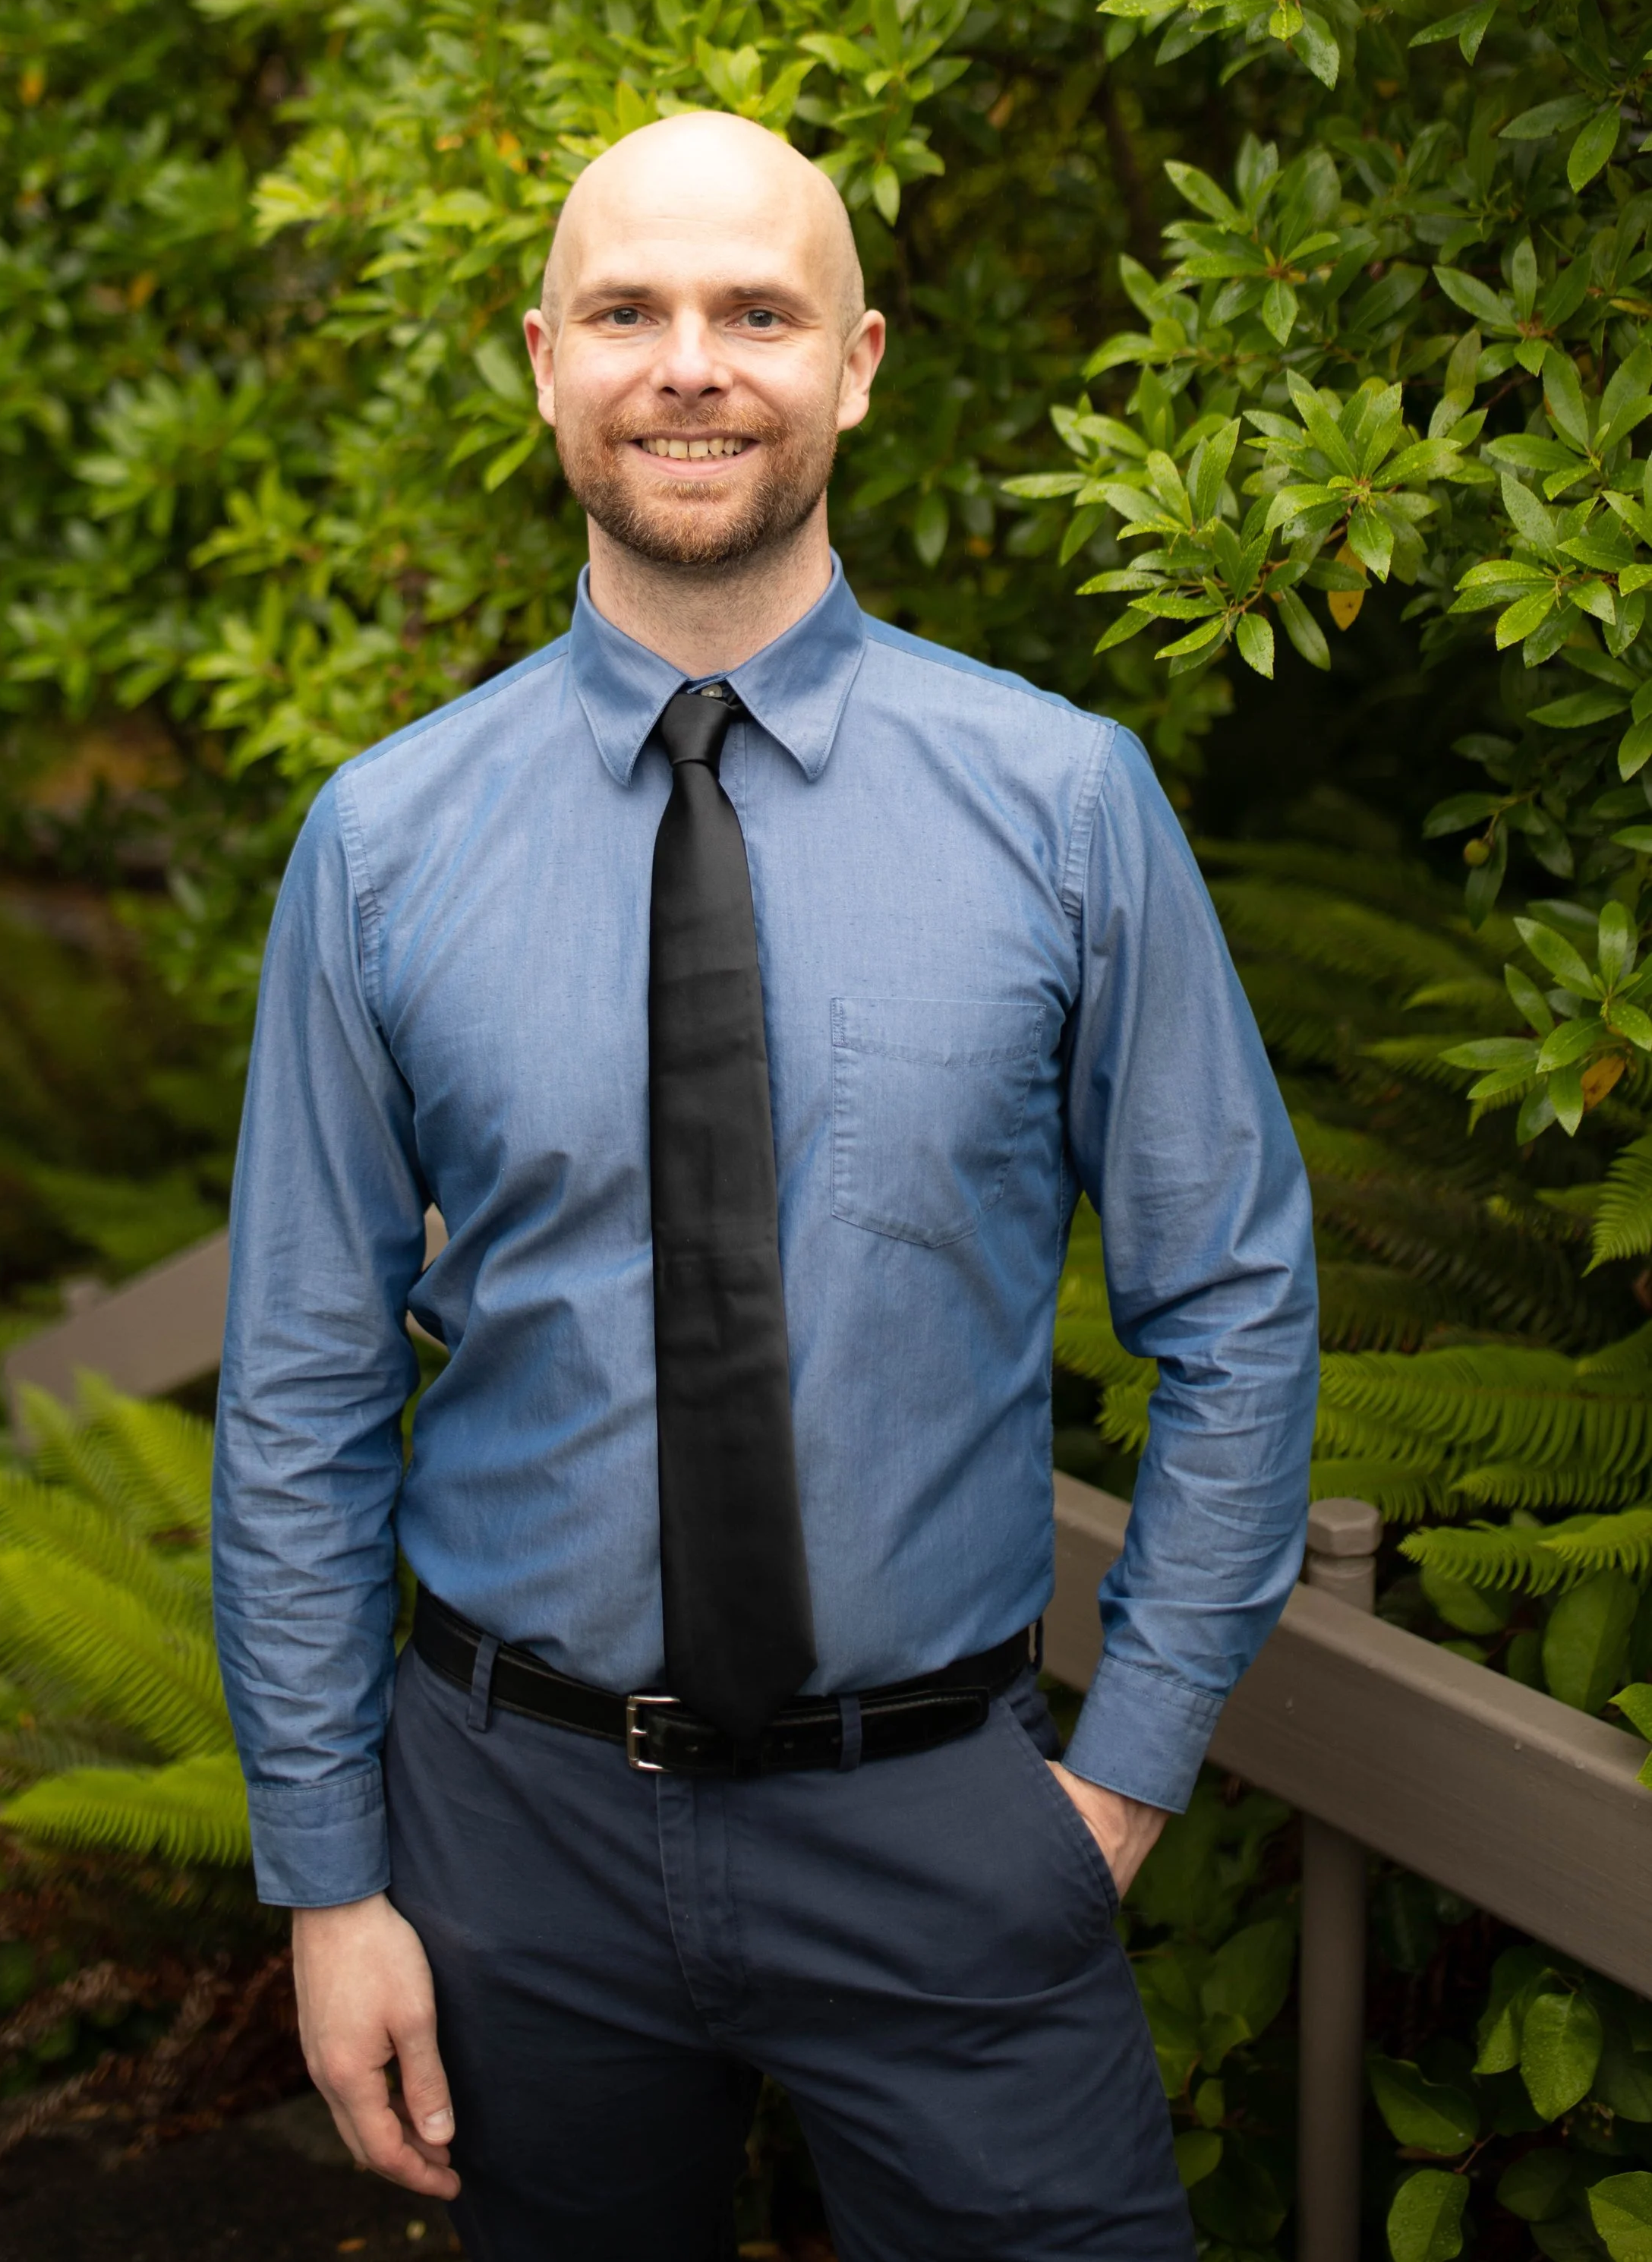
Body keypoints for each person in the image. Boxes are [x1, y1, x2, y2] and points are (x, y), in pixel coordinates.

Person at [213, 109, 1318, 2259]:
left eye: (754, 310)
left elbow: (1239, 1305)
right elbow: (301, 1381)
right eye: (628, 310)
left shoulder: (1062, 808)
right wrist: (330, 1877)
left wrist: (1116, 1782)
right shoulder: (381, 842)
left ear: (858, 362)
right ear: (542, 359)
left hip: (942, 1828)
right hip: (503, 1834)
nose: (688, 363)